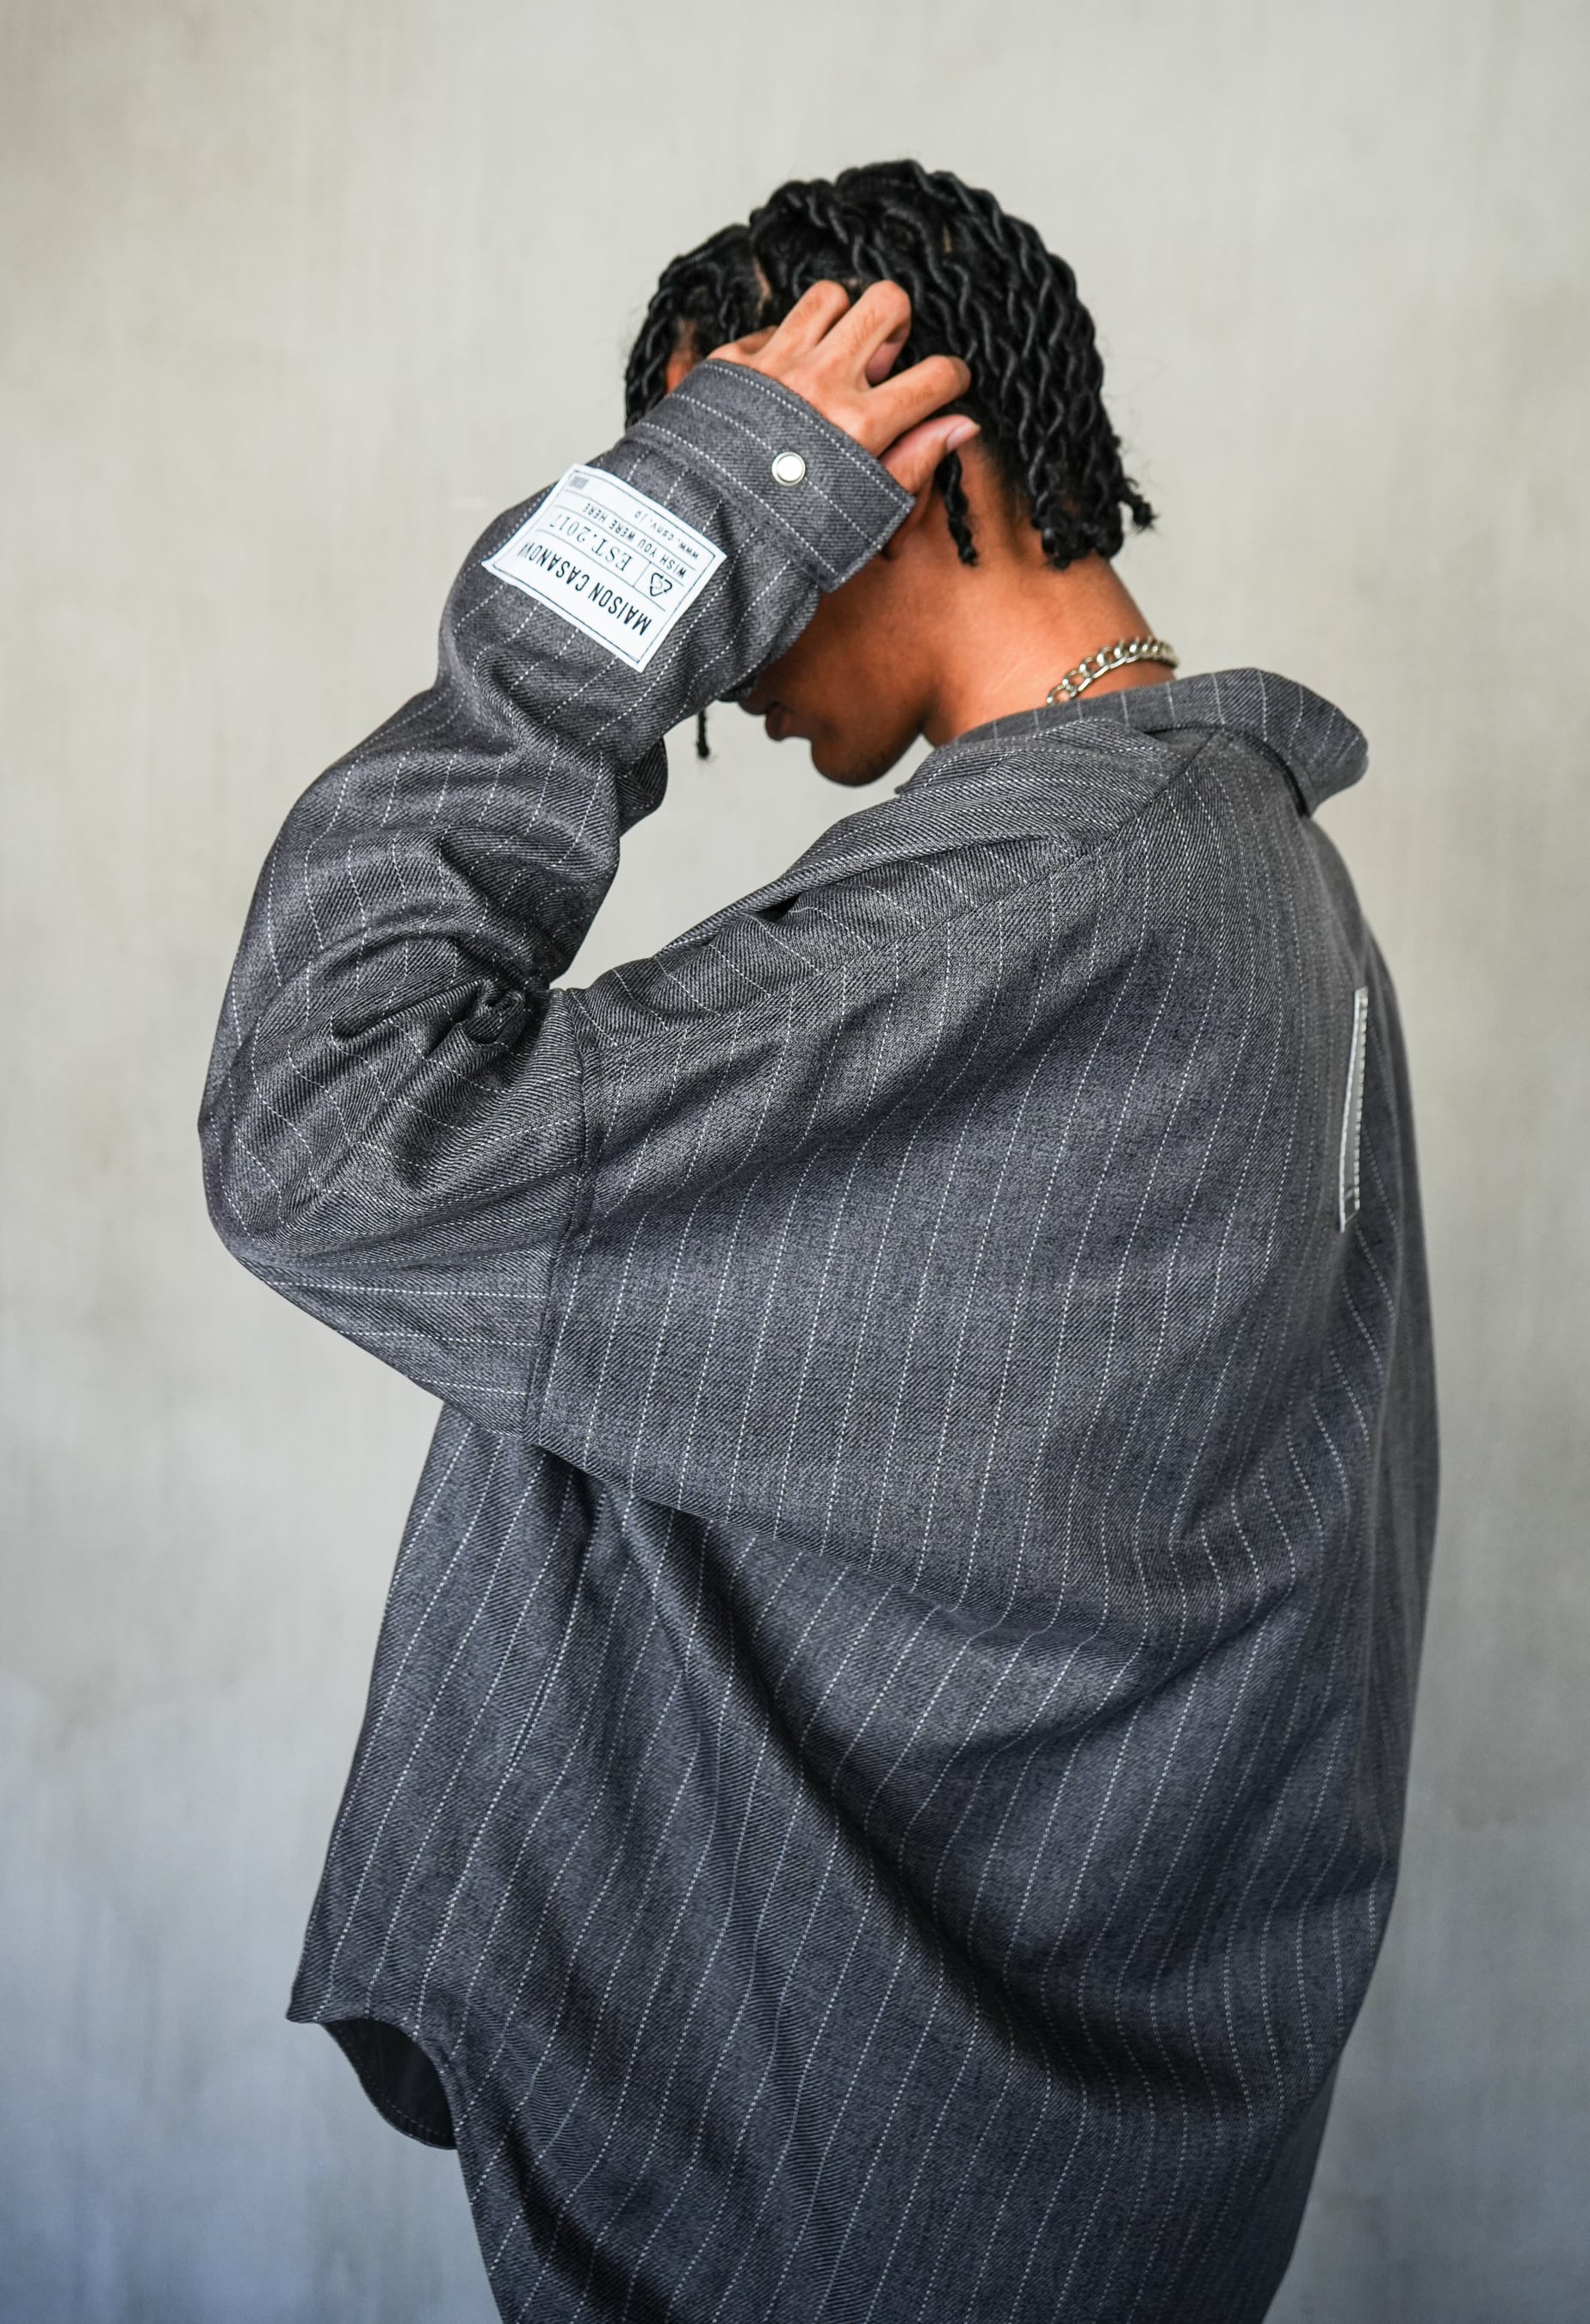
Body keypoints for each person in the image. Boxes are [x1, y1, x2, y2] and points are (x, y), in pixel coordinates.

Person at [200, 161, 1437, 2324]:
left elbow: (326, 1119)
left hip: (842, 2199)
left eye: (751, 507)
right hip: (1043, 2197)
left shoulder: (1037, 903)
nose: (715, 661)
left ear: (920, 461)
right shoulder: (1242, 865)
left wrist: (664, 525)